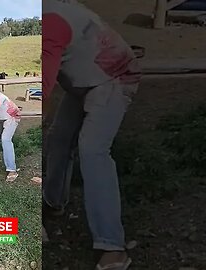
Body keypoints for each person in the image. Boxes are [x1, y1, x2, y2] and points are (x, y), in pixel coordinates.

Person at [42, 0, 141, 269]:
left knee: (93, 149)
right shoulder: (47, 10)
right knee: (59, 137)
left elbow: (42, 98)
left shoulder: (49, 24)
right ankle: (53, 202)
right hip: (88, 77)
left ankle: (113, 247)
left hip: (114, 77)